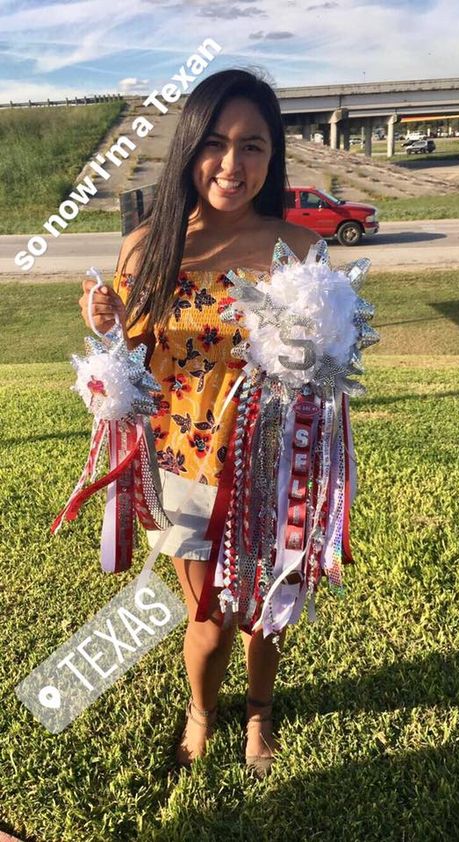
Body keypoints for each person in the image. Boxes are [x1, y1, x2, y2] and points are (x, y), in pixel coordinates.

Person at [79, 67, 322, 776]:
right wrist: (104, 329)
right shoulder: (148, 245)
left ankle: (260, 709)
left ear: (272, 157)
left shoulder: (299, 251)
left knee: (266, 613)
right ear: (190, 147)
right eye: (216, 142)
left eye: (253, 145)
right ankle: (201, 711)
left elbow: (326, 370)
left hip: (274, 465)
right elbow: (122, 373)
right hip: (184, 472)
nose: (232, 164)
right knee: (209, 623)